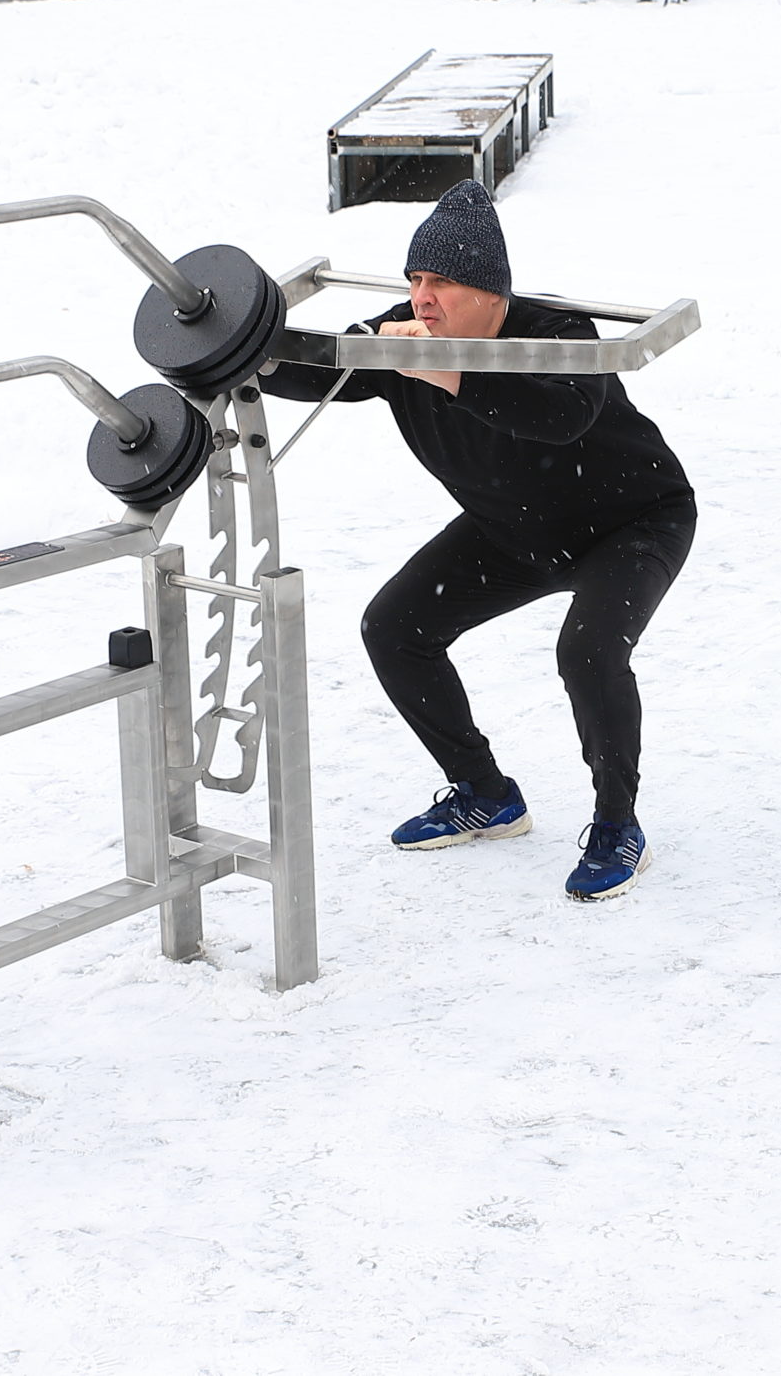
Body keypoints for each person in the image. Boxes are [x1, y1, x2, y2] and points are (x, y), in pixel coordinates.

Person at [258, 180, 697, 901]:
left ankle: (618, 823)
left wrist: (445, 370)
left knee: (588, 651)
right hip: (516, 528)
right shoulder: (402, 336)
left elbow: (560, 418)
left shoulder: (558, 333)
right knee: (395, 627)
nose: (421, 298)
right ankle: (485, 794)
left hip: (633, 522)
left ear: (491, 292)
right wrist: (243, 353)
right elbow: (315, 368)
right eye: (414, 280)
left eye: (441, 282)